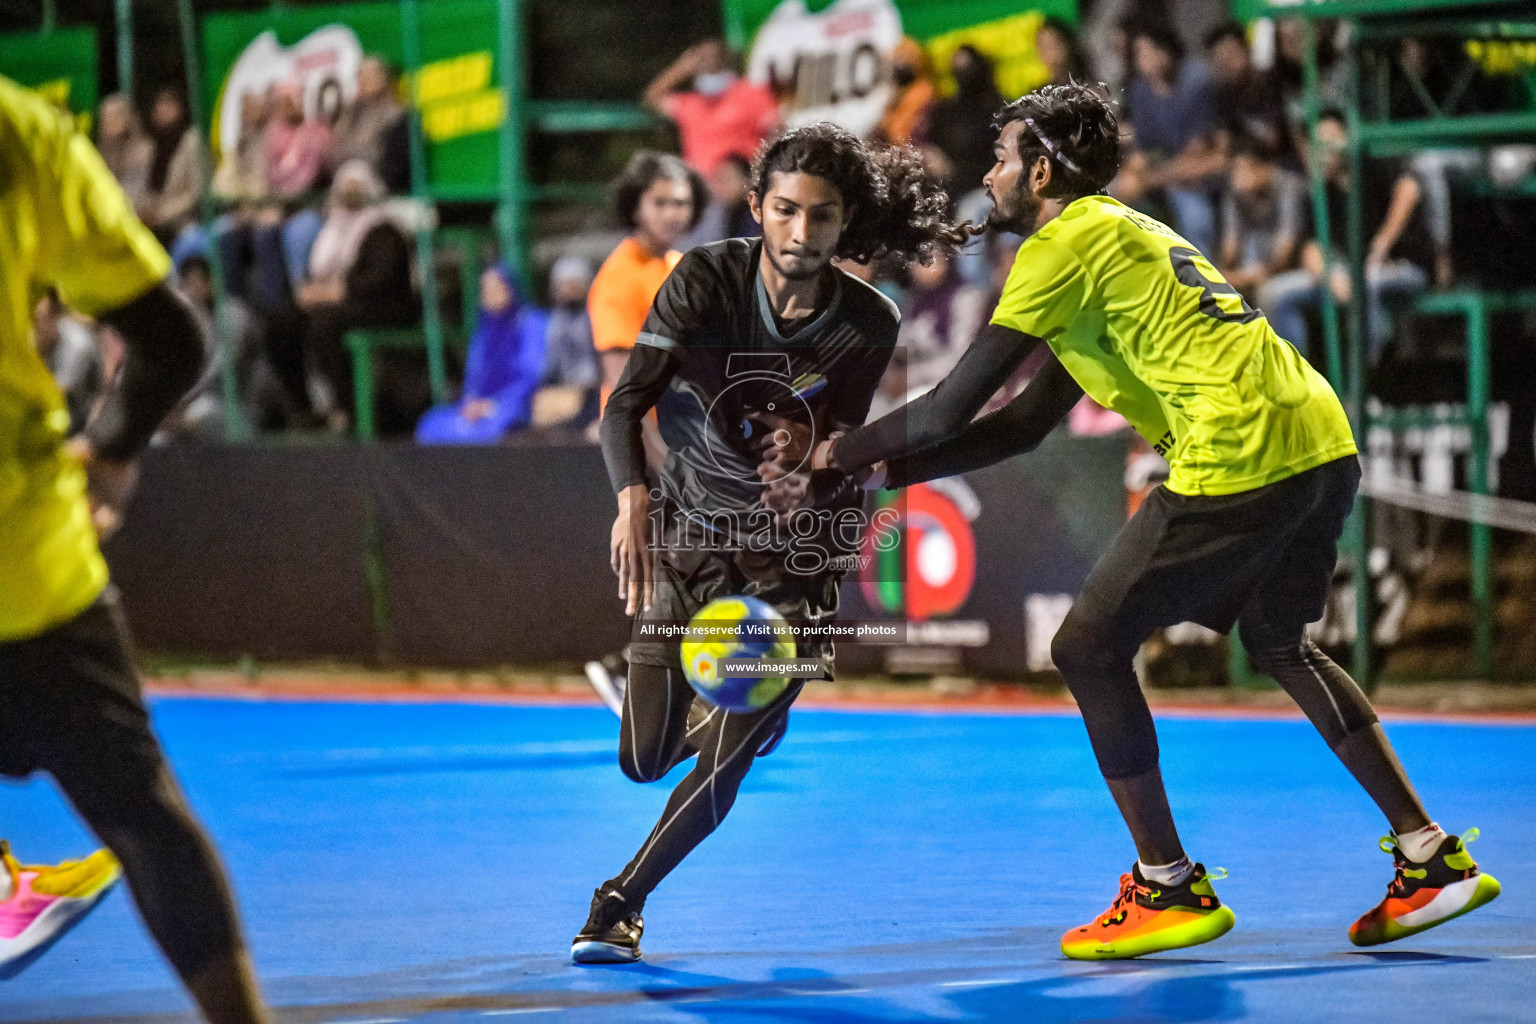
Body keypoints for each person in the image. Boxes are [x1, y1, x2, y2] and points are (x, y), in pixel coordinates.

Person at [807, 83, 1498, 960]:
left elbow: (948, 408)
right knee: (1282, 642)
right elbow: (1023, 423)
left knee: (1085, 649)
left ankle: (1167, 884)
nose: (990, 174)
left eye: (1002, 157)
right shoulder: (1124, 234)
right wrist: (881, 473)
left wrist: (832, 456)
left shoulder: (1061, 247)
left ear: (1042, 169)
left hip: (1239, 448)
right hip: (1317, 437)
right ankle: (1429, 857)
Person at [574, 122, 971, 964]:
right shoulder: (702, 280)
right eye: (783, 211)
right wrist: (630, 503)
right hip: (686, 529)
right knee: (645, 761)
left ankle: (620, 900)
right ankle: (742, 720)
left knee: (723, 759)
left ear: (843, 223)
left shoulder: (870, 323)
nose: (799, 233)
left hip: (797, 557)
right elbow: (622, 402)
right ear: (756, 206)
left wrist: (811, 477)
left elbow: (845, 445)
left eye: (821, 217)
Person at [0, 75, 268, 1019]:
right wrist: (110, 453)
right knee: (143, 817)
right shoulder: (19, 131)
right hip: (27, 561)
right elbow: (168, 337)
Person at [582, 150, 709, 713]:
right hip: (646, 447)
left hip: (685, 437)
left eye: (682, 202)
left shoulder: (679, 264)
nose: (674, 213)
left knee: (687, 565)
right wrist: (660, 463)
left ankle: (640, 673)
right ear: (635, 206)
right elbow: (621, 392)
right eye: (661, 202)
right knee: (669, 566)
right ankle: (629, 672)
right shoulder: (616, 280)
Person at [1259, 109, 1433, 368]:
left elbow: (1408, 189)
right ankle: (1296, 385)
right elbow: (1310, 248)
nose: (1325, 149)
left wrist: (1382, 244)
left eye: (1331, 138)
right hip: (1347, 276)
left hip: (1402, 267)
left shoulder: (1374, 167)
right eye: (1318, 143)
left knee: (1368, 282)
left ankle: (1370, 379)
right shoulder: (1319, 192)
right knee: (1275, 294)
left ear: (1349, 137)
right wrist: (1331, 276)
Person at [263, 160, 416, 429]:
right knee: (281, 322)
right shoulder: (332, 231)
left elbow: (381, 280)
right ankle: (304, 408)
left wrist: (337, 291)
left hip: (383, 307)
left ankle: (350, 408)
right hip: (340, 305)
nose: (350, 195)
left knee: (324, 323)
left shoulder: (384, 230)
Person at [1122, 25, 1225, 258]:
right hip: (1162, 170)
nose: (1142, 59)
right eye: (1138, 53)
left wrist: (1147, 179)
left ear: (1167, 51)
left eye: (1148, 52)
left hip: (1198, 177)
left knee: (1194, 215)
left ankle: (1203, 281)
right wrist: (1133, 173)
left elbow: (1196, 156)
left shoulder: (1197, 82)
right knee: (1111, 198)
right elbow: (1141, 149)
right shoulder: (1139, 90)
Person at [415, 265, 549, 444]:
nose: (489, 294)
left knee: (494, 427)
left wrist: (492, 406)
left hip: (515, 406)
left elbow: (531, 374)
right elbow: (475, 376)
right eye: (485, 289)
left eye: (496, 287)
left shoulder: (531, 323)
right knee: (431, 424)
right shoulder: (484, 328)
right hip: (478, 408)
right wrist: (471, 403)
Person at [642, 40, 781, 177]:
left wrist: (758, 173)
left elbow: (776, 131)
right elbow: (652, 97)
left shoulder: (751, 93)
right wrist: (683, 67)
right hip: (701, 186)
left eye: (713, 60)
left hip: (742, 184)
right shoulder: (690, 103)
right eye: (701, 61)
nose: (707, 64)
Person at [1218, 137, 1305, 296]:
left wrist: (1255, 276)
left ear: (1265, 166)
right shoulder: (1236, 191)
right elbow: (1231, 241)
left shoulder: (1289, 186)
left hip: (1293, 264)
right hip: (1253, 262)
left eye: (1245, 169)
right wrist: (1220, 276)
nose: (1239, 176)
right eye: (1235, 170)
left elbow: (1287, 245)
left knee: (1267, 292)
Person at [896, 251, 986, 394]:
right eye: (916, 261)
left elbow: (959, 358)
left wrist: (911, 377)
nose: (921, 267)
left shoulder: (964, 298)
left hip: (945, 384)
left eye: (928, 260)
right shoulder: (915, 299)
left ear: (947, 262)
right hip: (910, 378)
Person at [925, 44, 1006, 201]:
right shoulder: (944, 112)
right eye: (958, 67)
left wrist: (955, 169)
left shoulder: (997, 109)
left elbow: (999, 159)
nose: (963, 72)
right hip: (951, 195)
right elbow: (932, 149)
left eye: (967, 66)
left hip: (986, 191)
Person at [1203, 21, 1290, 163]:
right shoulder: (1222, 95)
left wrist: (1235, 147)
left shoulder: (1271, 83)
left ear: (1246, 51)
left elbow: (1272, 140)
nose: (1227, 64)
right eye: (1219, 60)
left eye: (1231, 54)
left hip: (1286, 165)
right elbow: (1222, 144)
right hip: (1245, 165)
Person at [537, 256, 600, 428]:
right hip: (563, 389)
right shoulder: (553, 323)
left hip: (593, 391)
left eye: (575, 283)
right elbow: (548, 365)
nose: (569, 289)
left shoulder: (596, 318)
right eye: (565, 284)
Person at [140, 86, 205, 250]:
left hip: (183, 221)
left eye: (169, 106)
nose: (163, 111)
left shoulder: (192, 141)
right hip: (151, 219)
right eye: (160, 106)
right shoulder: (151, 145)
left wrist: (162, 215)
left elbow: (196, 192)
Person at [95, 94, 153, 212]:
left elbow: (135, 193)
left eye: (116, 115)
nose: (111, 121)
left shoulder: (143, 149)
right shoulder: (100, 152)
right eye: (107, 117)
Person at [874, 37, 935, 147]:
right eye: (896, 61)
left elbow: (907, 134)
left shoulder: (924, 92)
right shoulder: (895, 96)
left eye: (903, 61)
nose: (898, 66)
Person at [1036, 17, 1089, 89]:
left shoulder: (1093, 86)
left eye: (1051, 45)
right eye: (1041, 47)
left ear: (1067, 44)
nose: (1048, 53)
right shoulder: (1041, 94)